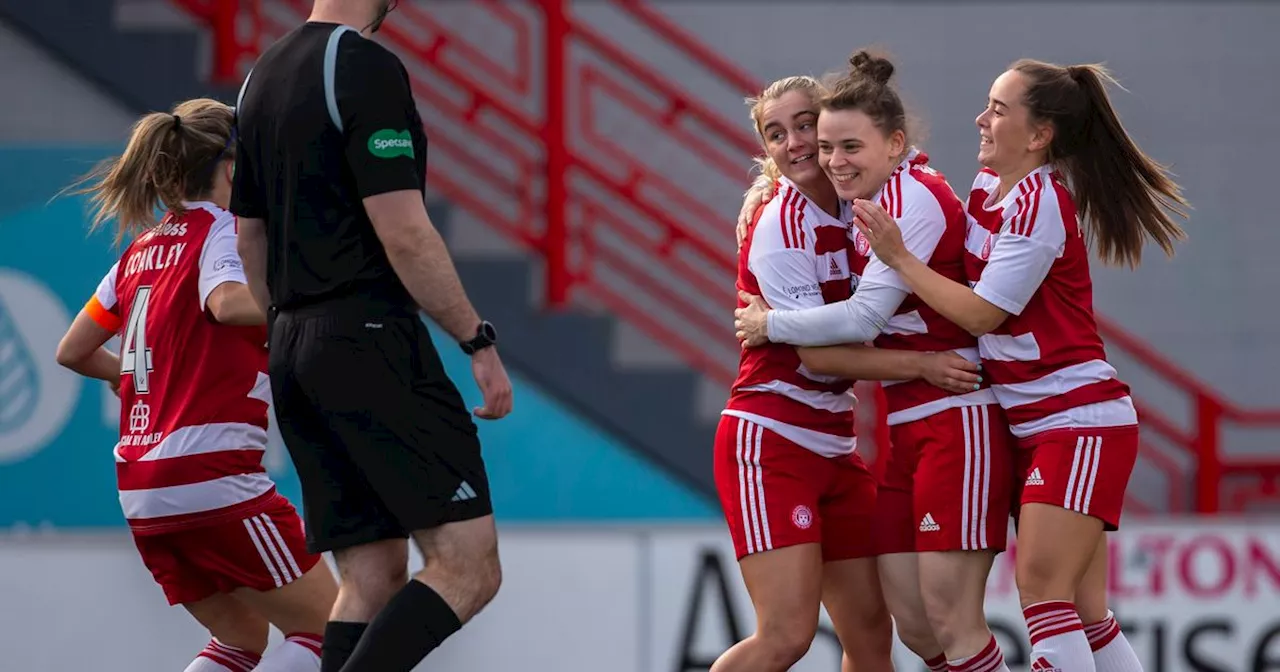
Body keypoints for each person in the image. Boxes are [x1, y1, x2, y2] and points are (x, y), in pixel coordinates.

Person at [848, 59, 1188, 671]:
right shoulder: (987, 189)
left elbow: (980, 316)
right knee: (1085, 615)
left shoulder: (1040, 203)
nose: (981, 118)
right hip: (1032, 424)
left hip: (1075, 423)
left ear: (1040, 136)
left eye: (999, 110)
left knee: (1042, 599)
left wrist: (897, 258)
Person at [229, 1, 514, 670]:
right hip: (367, 335)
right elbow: (405, 232)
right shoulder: (360, 64)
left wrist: (286, 332)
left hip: (294, 344)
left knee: (372, 575)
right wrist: (477, 340)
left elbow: (250, 238)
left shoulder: (259, 76)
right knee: (468, 566)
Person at [732, 51, 1016, 672]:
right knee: (789, 638)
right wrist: (919, 366)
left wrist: (768, 323)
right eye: (778, 134)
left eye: (810, 127)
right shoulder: (783, 221)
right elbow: (817, 353)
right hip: (776, 435)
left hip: (860, 435)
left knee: (883, 633)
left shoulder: (870, 202)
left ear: (889, 143)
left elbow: (861, 322)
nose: (809, 147)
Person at [54, 98, 337, 672]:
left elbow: (73, 350)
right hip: (212, 474)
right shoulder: (224, 228)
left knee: (238, 645)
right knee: (333, 635)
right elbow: (228, 303)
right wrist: (316, 295)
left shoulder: (140, 250)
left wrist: (128, 376)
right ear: (232, 169)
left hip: (141, 488)